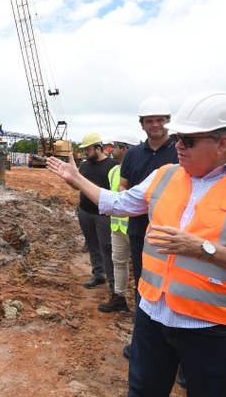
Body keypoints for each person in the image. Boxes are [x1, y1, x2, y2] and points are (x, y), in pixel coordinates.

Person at [47, 91, 226, 397]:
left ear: (223, 144)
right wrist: (77, 180)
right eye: (178, 137)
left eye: (188, 140)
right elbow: (119, 202)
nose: (177, 145)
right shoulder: (164, 176)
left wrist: (205, 250)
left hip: (213, 328)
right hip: (153, 316)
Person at [119, 96, 179, 356]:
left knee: (175, 286)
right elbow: (122, 186)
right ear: (142, 124)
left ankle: (177, 347)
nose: (155, 125)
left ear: (168, 121)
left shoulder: (180, 150)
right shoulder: (133, 154)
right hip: (140, 230)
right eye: (149, 121)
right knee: (143, 285)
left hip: (173, 232)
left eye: (160, 120)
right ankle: (143, 343)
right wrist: (138, 201)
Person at [98, 130, 139, 314]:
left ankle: (142, 306)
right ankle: (119, 297)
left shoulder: (141, 169)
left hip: (136, 229)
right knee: (119, 262)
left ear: (125, 149)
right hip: (117, 227)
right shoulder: (114, 170)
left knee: (142, 268)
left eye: (115, 146)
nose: (112, 149)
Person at [75, 133, 118, 294]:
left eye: (88, 149)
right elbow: (78, 185)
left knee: (107, 248)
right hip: (85, 212)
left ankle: (114, 285)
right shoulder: (85, 165)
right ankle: (98, 275)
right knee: (92, 245)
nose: (85, 152)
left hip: (104, 216)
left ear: (98, 148)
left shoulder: (113, 166)